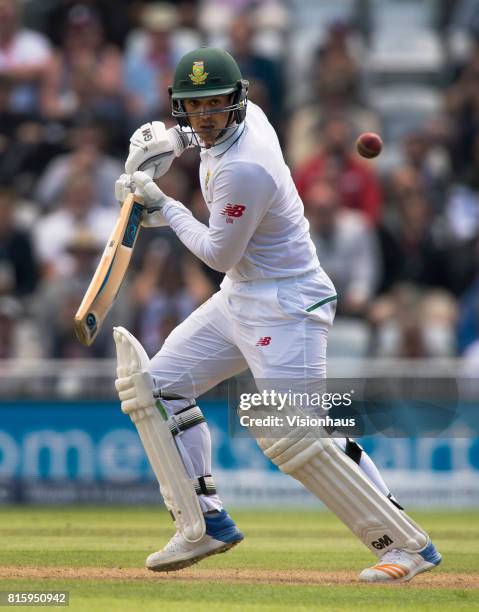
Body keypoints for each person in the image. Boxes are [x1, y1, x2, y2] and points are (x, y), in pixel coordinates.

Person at [113, 47, 442, 582]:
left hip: (288, 303)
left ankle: (406, 545)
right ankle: (203, 522)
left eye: (216, 106)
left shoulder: (246, 167)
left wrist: (164, 205)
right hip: (242, 294)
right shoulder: (225, 129)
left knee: (296, 432)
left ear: (238, 103)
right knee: (154, 388)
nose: (205, 118)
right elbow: (225, 252)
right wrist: (156, 151)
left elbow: (218, 253)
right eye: (194, 108)